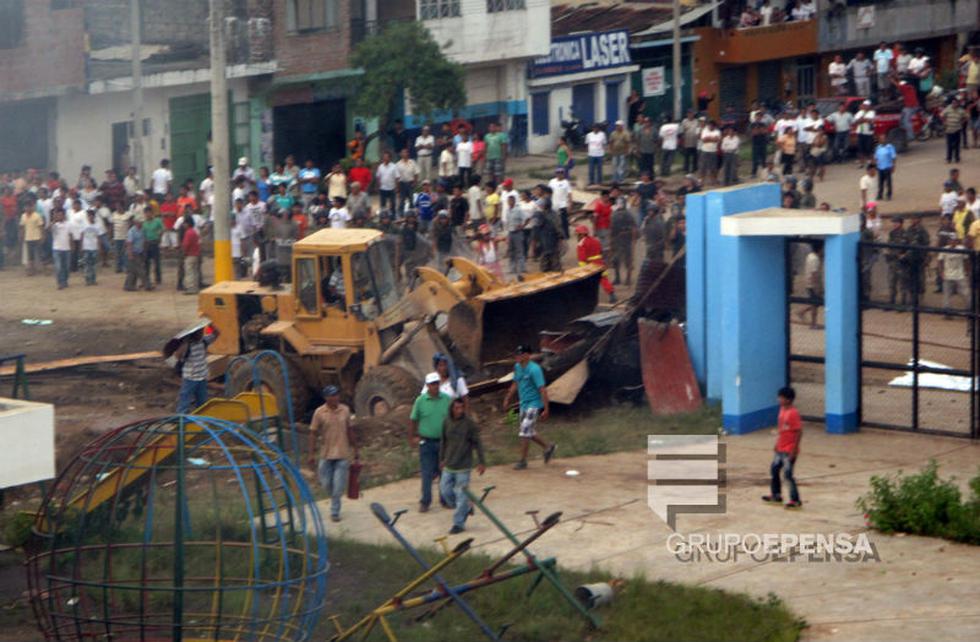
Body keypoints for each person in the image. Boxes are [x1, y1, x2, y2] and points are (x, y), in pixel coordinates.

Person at [501, 345, 556, 470]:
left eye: (520, 354)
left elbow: (542, 390)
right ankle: (548, 447)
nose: (517, 356)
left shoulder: (535, 370)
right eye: (517, 354)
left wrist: (546, 408)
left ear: (527, 355)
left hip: (534, 404)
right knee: (528, 431)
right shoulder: (517, 367)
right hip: (524, 403)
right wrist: (508, 397)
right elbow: (515, 382)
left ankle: (522, 461)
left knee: (525, 431)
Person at [308, 385, 357, 522]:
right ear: (326, 398)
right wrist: (311, 454)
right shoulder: (319, 413)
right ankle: (334, 498)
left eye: (336, 395)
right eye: (332, 396)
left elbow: (350, 430)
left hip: (342, 454)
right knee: (326, 484)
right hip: (326, 454)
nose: (335, 398)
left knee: (338, 486)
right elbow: (313, 433)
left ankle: (335, 511)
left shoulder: (345, 410)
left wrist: (356, 449)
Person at [439, 398, 486, 534]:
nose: (459, 411)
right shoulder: (446, 422)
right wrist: (441, 459)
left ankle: (458, 524)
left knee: (461, 494)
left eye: (462, 408)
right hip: (449, 464)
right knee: (445, 491)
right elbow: (443, 441)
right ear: (451, 409)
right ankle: (466, 507)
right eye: (456, 408)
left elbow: (478, 443)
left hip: (463, 467)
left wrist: (481, 462)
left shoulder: (469, 424)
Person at [410, 372, 453, 512]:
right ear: (427, 386)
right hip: (427, 442)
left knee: (444, 473)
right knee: (427, 473)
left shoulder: (446, 399)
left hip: (443, 442)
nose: (435, 386)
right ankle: (425, 501)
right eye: (432, 384)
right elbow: (413, 419)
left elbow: (452, 419)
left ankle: (444, 499)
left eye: (437, 383)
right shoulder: (420, 401)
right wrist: (413, 436)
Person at [762, 387, 802, 509]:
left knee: (788, 475)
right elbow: (782, 429)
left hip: (789, 449)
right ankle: (776, 495)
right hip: (780, 448)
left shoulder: (793, 413)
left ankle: (795, 500)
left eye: (781, 398)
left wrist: (794, 449)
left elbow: (799, 432)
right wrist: (777, 443)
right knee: (774, 470)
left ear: (788, 399)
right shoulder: (782, 410)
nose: (779, 399)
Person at [175, 326, 219, 413]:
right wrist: (185, 342)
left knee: (202, 403)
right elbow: (178, 355)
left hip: (202, 377)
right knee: (184, 401)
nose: (201, 334)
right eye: (199, 332)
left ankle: (200, 420)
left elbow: (216, 334)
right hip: (190, 378)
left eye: (201, 331)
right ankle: (181, 420)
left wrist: (210, 324)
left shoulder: (204, 341)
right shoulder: (187, 346)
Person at [576, 224, 615, 303]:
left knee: (588, 283)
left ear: (581, 234)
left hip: (590, 265)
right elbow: (601, 251)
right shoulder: (595, 240)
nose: (577, 236)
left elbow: (582, 258)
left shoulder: (581, 243)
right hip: (600, 263)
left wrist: (583, 269)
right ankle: (612, 295)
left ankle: (588, 300)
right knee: (604, 280)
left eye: (578, 234)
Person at [611, 194, 638, 285]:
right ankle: (617, 278)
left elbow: (634, 227)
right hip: (617, 240)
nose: (620, 204)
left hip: (627, 240)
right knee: (616, 260)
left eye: (621, 202)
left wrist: (631, 233)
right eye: (618, 202)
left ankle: (628, 278)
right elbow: (611, 228)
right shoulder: (613, 214)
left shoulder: (628, 214)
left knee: (628, 260)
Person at [797, 243, 822, 328]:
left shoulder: (810, 256)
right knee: (815, 303)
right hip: (813, 284)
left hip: (809, 282)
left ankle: (802, 312)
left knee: (816, 303)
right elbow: (814, 273)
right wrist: (816, 286)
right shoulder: (815, 259)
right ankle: (813, 323)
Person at [19, 202, 44, 276]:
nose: (27, 208)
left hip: (37, 237)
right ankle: (31, 270)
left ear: (32, 207)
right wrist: (21, 235)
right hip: (28, 237)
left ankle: (39, 268)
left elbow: (41, 227)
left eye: (29, 207)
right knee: (30, 255)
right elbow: (22, 227)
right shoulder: (23, 216)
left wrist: (42, 236)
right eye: (26, 207)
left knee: (38, 253)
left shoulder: (37, 216)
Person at [504, 193, 526, 277]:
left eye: (510, 200)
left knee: (520, 251)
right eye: (508, 201)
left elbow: (525, 219)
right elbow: (507, 222)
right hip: (510, 233)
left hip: (518, 233)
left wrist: (522, 226)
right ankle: (512, 269)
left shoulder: (519, 210)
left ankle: (522, 268)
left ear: (514, 201)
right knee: (511, 251)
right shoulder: (507, 211)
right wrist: (507, 234)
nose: (509, 202)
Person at [49, 208, 71, 289]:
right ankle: (60, 282)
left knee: (66, 267)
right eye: (58, 215)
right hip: (57, 248)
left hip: (66, 248)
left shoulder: (68, 224)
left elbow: (70, 235)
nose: (60, 216)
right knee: (58, 267)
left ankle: (65, 280)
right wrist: (54, 220)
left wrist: (72, 246)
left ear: (64, 215)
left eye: (61, 215)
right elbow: (49, 229)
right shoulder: (54, 225)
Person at [80, 209, 102, 286]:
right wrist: (81, 246)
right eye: (89, 216)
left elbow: (98, 237)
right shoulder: (84, 224)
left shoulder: (97, 225)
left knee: (93, 265)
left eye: (91, 216)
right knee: (87, 265)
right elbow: (82, 236)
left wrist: (99, 247)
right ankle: (87, 280)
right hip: (86, 247)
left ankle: (93, 279)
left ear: (94, 217)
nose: (90, 217)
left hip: (94, 247)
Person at [142, 208, 163, 285]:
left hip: (154, 242)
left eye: (149, 213)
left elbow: (162, 229)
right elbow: (143, 233)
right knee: (146, 262)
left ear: (152, 213)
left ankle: (158, 278)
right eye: (146, 213)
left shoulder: (157, 221)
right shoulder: (144, 223)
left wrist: (159, 237)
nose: (147, 215)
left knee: (156, 262)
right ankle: (147, 278)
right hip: (147, 243)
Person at [549, 168, 572, 239]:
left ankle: (566, 235)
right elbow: (548, 192)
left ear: (563, 174)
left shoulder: (566, 182)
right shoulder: (552, 181)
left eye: (561, 173)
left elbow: (569, 194)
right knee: (554, 221)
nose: (559, 174)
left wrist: (570, 204)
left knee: (564, 221)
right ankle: (556, 235)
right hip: (553, 205)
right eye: (558, 173)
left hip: (563, 205)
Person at [942, 97, 966, 164]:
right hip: (949, 130)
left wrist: (962, 122)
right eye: (953, 103)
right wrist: (944, 122)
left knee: (957, 145)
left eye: (955, 103)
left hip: (957, 129)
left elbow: (966, 117)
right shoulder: (948, 109)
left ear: (958, 103)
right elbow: (942, 115)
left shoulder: (961, 110)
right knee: (949, 145)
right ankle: (948, 159)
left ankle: (957, 158)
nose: (954, 104)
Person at [181, 217, 202, 295]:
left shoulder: (188, 233)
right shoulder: (194, 232)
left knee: (189, 272)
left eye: (184, 223)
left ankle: (190, 288)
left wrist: (184, 253)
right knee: (195, 272)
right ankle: (195, 287)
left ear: (188, 224)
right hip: (195, 254)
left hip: (189, 255)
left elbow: (186, 245)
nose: (183, 225)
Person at [873, 133, 896, 201]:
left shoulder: (890, 147)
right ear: (879, 140)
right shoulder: (878, 147)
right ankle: (880, 195)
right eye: (881, 139)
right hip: (880, 167)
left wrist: (893, 166)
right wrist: (875, 165)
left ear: (886, 139)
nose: (882, 140)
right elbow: (876, 157)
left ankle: (889, 195)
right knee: (880, 182)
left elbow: (893, 157)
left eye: (884, 138)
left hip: (887, 167)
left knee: (888, 182)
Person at [395, 149, 419, 214]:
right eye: (403, 153)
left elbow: (416, 173)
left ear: (408, 154)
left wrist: (415, 182)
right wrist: (397, 187)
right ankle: (401, 214)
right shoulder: (398, 164)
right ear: (401, 154)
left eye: (406, 152)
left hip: (411, 183)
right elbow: (397, 177)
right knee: (402, 201)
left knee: (411, 200)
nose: (404, 154)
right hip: (402, 184)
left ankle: (412, 214)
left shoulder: (412, 162)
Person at [698, 120, 721, 185]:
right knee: (703, 166)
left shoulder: (717, 132)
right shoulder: (705, 130)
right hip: (704, 150)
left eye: (711, 125)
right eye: (709, 125)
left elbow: (716, 140)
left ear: (714, 126)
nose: (710, 127)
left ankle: (713, 180)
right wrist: (711, 139)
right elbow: (703, 140)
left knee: (713, 167)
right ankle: (701, 180)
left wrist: (708, 138)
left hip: (713, 151)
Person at [854, 100, 876, 167]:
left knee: (869, 148)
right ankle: (861, 163)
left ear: (869, 106)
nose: (865, 106)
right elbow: (856, 121)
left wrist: (862, 120)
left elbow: (869, 120)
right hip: (860, 132)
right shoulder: (859, 112)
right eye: (864, 105)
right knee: (860, 149)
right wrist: (864, 120)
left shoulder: (872, 112)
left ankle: (870, 162)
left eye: (867, 105)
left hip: (868, 133)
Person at [749, 111, 769, 178]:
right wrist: (758, 131)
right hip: (755, 144)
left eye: (760, 116)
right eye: (757, 116)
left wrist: (759, 131)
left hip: (763, 143)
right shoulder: (752, 125)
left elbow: (765, 132)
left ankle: (765, 173)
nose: (758, 118)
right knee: (755, 160)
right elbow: (753, 133)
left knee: (764, 159)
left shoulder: (763, 124)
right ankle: (753, 173)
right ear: (755, 117)